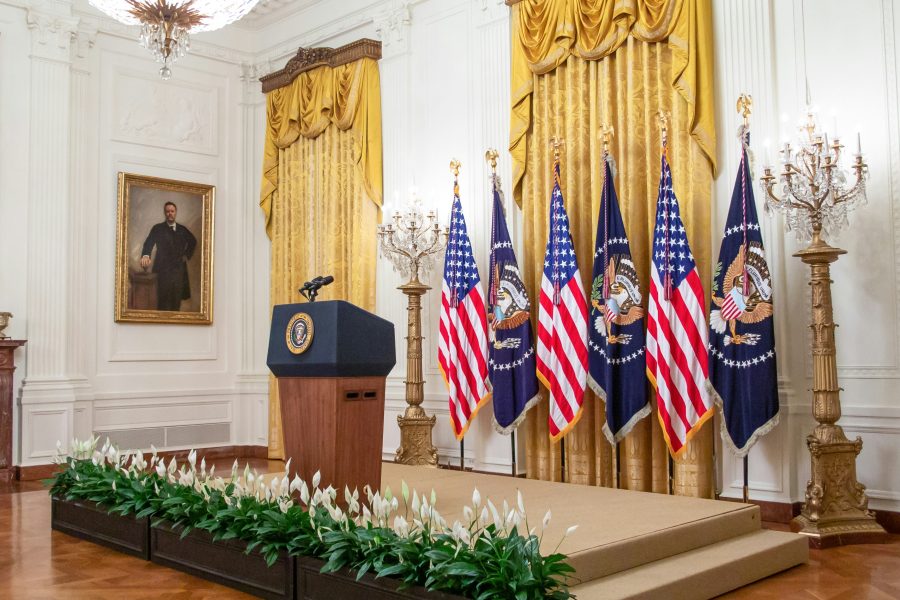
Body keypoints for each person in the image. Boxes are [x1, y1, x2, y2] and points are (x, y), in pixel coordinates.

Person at [140, 201, 197, 311]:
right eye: (167, 211)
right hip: (162, 271)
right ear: (165, 213)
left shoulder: (182, 229)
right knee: (162, 302)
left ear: (175, 213)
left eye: (172, 211)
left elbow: (193, 241)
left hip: (178, 272)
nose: (170, 213)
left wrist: (186, 255)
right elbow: (149, 243)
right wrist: (146, 255)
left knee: (176, 303)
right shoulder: (157, 228)